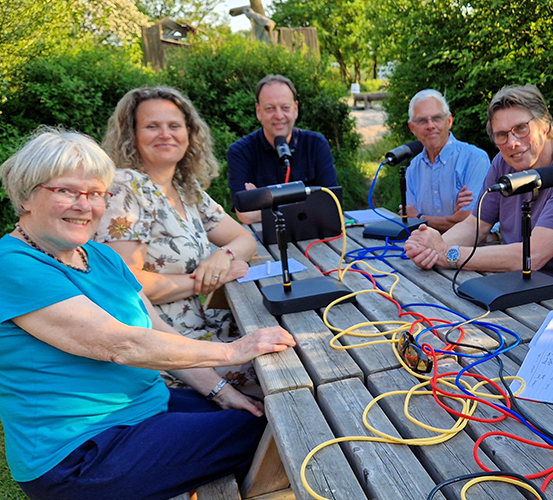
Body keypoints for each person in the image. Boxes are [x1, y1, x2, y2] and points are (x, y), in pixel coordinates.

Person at [0, 128, 296, 500]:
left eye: (95, 193)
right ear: (25, 195)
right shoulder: (12, 265)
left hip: (146, 409)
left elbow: (156, 329)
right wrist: (233, 351)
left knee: (267, 412)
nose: (84, 205)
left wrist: (220, 391)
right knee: (279, 429)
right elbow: (118, 344)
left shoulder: (100, 256)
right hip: (80, 454)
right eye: (66, 191)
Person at [95, 87, 261, 394]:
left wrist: (222, 257)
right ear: (131, 135)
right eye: (152, 126)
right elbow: (127, 285)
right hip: (168, 350)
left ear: (189, 133)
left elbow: (243, 238)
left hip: (206, 329)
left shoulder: (186, 188)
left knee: (288, 339)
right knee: (278, 370)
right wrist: (205, 280)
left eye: (174, 125)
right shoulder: (125, 189)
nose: (165, 134)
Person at [404, 85, 553, 300]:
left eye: (521, 128)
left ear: (545, 125)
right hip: (517, 285)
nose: (512, 143)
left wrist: (447, 254)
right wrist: (430, 248)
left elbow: (532, 255)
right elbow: (475, 226)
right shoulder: (503, 162)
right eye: (501, 135)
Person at [227, 74, 338, 224]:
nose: (279, 116)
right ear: (258, 112)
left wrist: (263, 203)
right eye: (270, 108)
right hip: (263, 237)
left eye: (285, 107)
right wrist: (306, 205)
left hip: (314, 234)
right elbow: (246, 215)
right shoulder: (240, 152)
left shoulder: (316, 144)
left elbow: (331, 203)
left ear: (295, 109)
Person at [403, 89, 491, 233]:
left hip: (475, 245)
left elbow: (472, 224)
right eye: (422, 120)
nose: (430, 125)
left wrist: (420, 217)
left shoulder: (474, 159)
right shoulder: (413, 168)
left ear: (449, 121)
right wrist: (452, 219)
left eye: (437, 118)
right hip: (427, 244)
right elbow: (409, 219)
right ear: (412, 128)